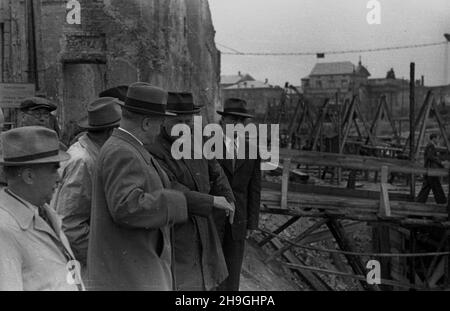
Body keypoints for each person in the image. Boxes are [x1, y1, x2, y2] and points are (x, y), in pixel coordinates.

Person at [87, 82, 188, 291]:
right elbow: (126, 207)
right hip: (131, 276)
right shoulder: (123, 151)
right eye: (160, 124)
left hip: (134, 269)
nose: (160, 131)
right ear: (146, 123)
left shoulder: (126, 147)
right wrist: (174, 202)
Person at [147, 92, 235, 291]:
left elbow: (216, 171)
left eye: (188, 121)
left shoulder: (199, 138)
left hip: (204, 227)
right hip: (176, 230)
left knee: (208, 281)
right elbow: (171, 189)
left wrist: (228, 198)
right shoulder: (153, 148)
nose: (185, 127)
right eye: (179, 121)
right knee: (182, 284)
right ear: (163, 119)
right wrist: (211, 201)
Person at [0, 126, 83, 291]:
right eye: (54, 170)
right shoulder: (5, 228)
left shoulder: (44, 212)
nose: (59, 178)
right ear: (29, 176)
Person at [52, 97, 122, 269]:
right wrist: (100, 262)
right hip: (83, 264)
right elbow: (70, 223)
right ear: (112, 131)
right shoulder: (84, 161)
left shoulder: (94, 154)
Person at [214, 98, 261, 291]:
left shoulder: (252, 150)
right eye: (233, 120)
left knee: (232, 275)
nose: (237, 126)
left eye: (242, 122)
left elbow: (254, 189)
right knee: (210, 271)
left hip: (238, 221)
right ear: (223, 121)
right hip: (212, 218)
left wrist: (252, 223)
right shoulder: (207, 147)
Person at [416, 133, 447, 204]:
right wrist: (441, 163)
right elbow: (430, 156)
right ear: (434, 138)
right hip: (431, 170)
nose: (437, 140)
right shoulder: (431, 145)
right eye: (437, 138)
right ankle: (442, 202)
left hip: (429, 169)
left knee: (426, 188)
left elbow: (431, 156)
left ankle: (419, 202)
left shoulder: (430, 145)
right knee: (436, 187)